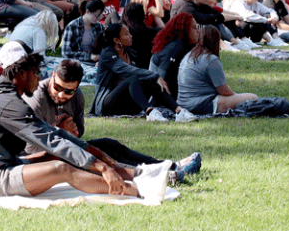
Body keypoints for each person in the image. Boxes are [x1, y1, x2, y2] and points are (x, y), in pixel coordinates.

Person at [0, 51, 158, 200]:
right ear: (20, 74)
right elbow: (50, 140)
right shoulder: (10, 104)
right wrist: (102, 168)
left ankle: (143, 174)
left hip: (1, 165)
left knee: (70, 155)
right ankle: (136, 190)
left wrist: (93, 151)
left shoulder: (6, 97)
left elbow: (52, 133)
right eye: (36, 73)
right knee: (61, 168)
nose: (39, 79)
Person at [28, 60, 202, 180]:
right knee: (104, 160)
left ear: (77, 87)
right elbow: (31, 148)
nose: (61, 94)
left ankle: (168, 166)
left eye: (68, 91)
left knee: (109, 145)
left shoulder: (78, 97)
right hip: (42, 159)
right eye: (57, 87)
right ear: (52, 76)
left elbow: (79, 133)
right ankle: (159, 174)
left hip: (66, 148)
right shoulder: (37, 99)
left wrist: (72, 133)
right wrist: (62, 132)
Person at [92, 23, 177, 116]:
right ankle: (150, 112)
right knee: (133, 78)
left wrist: (153, 78)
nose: (130, 36)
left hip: (127, 103)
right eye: (126, 34)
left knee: (150, 81)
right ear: (116, 40)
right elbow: (128, 70)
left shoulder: (128, 52)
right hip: (106, 104)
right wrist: (154, 75)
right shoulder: (107, 54)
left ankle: (179, 111)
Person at [177, 25, 257, 116]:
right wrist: (237, 96)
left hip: (183, 103)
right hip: (202, 104)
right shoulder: (211, 59)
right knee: (253, 98)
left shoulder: (189, 56)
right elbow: (224, 91)